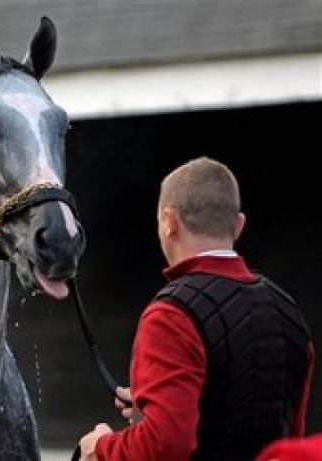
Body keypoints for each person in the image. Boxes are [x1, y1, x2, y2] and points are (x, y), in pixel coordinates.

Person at [77, 157, 314, 461]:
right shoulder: (286, 308)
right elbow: (279, 428)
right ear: (239, 225)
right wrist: (156, 404)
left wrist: (100, 446)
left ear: (169, 222)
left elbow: (165, 446)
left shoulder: (170, 316)